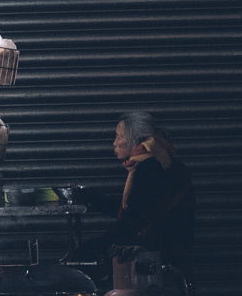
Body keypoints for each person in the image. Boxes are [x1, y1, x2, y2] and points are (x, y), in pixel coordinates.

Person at [75, 111, 196, 271]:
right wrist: (93, 198)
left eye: (119, 136)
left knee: (83, 256)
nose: (114, 143)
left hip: (158, 247)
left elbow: (133, 218)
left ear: (136, 140)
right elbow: (137, 206)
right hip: (172, 244)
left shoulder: (150, 167)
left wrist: (105, 241)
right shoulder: (161, 161)